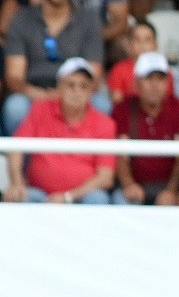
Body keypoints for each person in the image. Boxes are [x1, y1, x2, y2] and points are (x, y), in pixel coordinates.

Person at [3, 0, 104, 135]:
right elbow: (14, 77)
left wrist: (63, 94)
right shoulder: (21, 19)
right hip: (33, 93)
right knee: (15, 107)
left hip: (76, 90)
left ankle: (81, 155)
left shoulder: (89, 21)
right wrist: (39, 95)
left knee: (102, 104)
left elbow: (93, 76)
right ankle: (23, 155)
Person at [4, 57, 114, 204]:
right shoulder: (40, 109)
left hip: (81, 197)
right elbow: (16, 147)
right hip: (40, 194)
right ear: (60, 87)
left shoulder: (104, 123)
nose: (77, 91)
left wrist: (68, 197)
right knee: (18, 196)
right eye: (71, 85)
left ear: (91, 91)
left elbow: (105, 177)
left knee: (98, 199)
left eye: (83, 86)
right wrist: (17, 183)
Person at [111, 51, 179, 205]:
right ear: (136, 82)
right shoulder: (122, 109)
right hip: (134, 186)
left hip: (169, 187)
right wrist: (128, 184)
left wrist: (171, 190)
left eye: (160, 79)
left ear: (168, 82)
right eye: (148, 78)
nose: (155, 85)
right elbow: (119, 153)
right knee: (120, 200)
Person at [106, 19, 176, 105]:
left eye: (147, 40)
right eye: (137, 40)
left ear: (156, 45)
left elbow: (169, 103)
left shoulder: (164, 70)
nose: (142, 45)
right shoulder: (119, 70)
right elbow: (117, 102)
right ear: (129, 45)